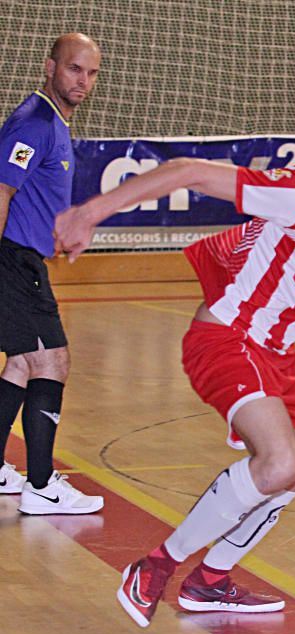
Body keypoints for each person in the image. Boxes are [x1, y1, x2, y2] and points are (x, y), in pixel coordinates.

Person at [54, 96, 295, 628]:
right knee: (279, 462)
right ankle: (154, 567)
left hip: (277, 350)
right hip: (227, 335)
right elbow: (186, 170)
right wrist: (87, 213)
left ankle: (210, 580)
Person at [0, 33, 104, 514]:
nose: (83, 80)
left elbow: (33, 198)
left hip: (25, 257)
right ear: (50, 67)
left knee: (23, 364)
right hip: (11, 261)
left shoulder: (55, 122)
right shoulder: (35, 122)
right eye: (73, 69)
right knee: (52, 362)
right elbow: (1, 191)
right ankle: (40, 486)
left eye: (91, 72)